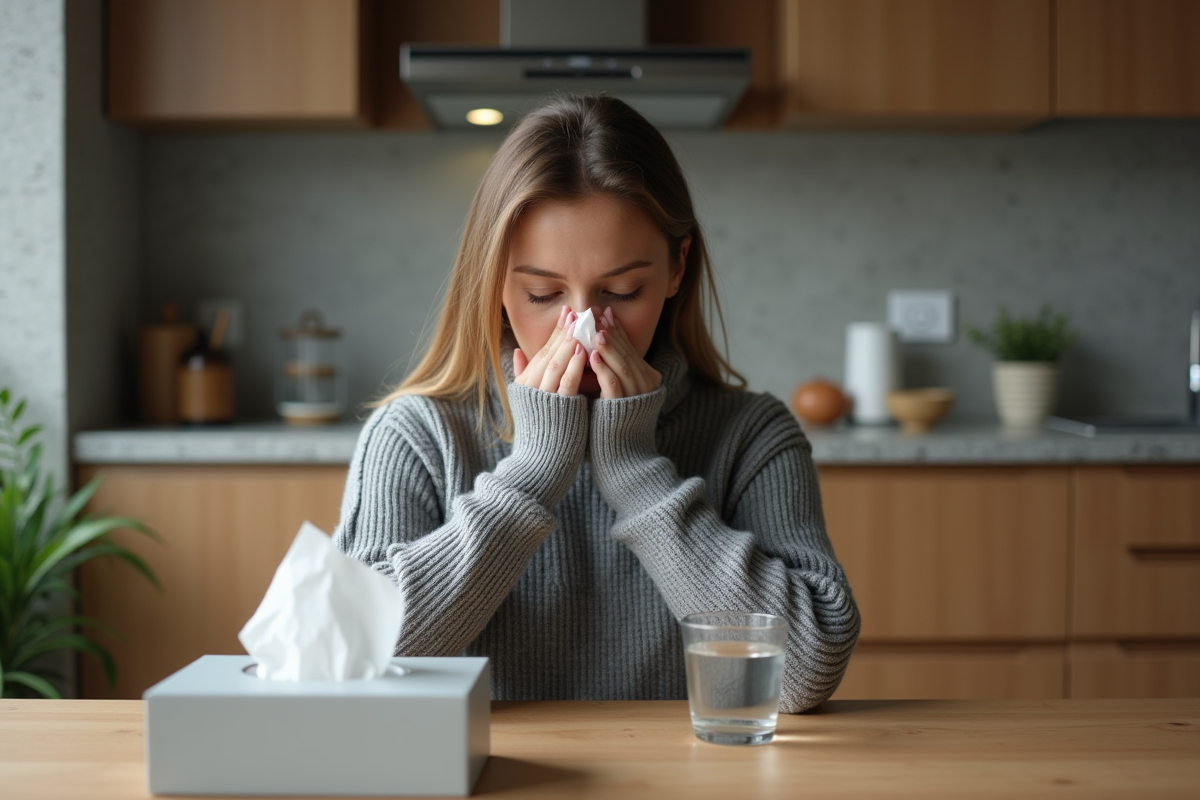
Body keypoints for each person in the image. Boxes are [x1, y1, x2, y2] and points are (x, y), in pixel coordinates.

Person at [335, 94, 859, 713]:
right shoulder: (417, 433)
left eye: (622, 290)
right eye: (542, 293)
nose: (583, 328)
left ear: (675, 269)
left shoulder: (749, 434)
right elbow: (349, 658)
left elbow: (802, 675)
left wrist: (637, 472)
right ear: (495, 281)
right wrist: (532, 474)